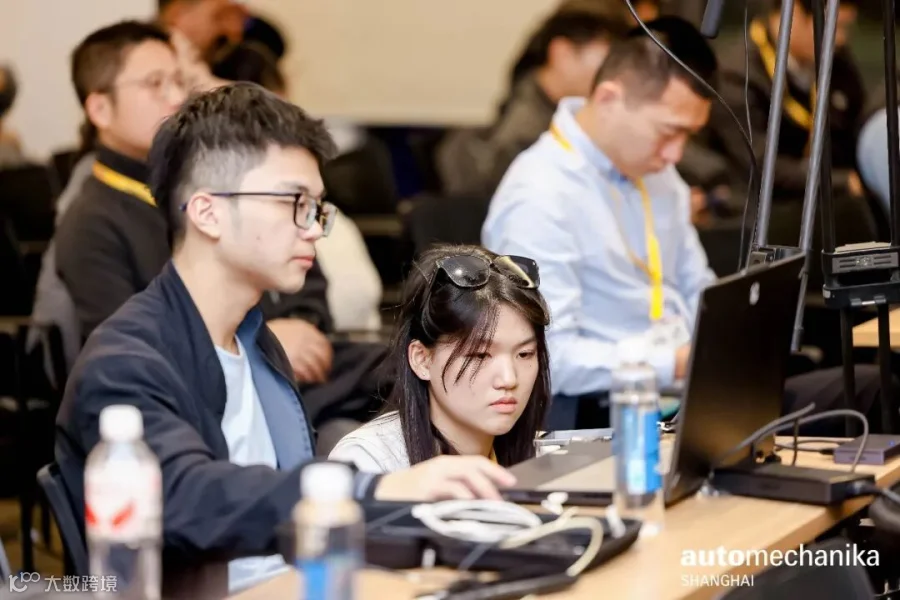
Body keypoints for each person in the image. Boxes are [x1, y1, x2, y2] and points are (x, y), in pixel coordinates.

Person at [55, 83, 517, 598]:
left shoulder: (254, 341)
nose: (314, 229)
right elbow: (186, 497)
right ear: (207, 212)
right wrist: (373, 489)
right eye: (294, 202)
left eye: (317, 208)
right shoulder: (126, 359)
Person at [482, 18, 887, 433]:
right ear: (609, 99)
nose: (676, 155)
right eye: (668, 132)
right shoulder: (539, 196)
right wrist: (676, 361)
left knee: (875, 388)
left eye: (687, 136)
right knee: (869, 393)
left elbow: (698, 288)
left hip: (694, 390)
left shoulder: (655, 175)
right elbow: (553, 357)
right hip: (614, 413)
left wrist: (733, 338)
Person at [35, 22, 186, 366]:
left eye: (179, 81)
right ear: (100, 110)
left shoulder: (189, 186)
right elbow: (132, 355)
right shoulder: (91, 221)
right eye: (155, 83)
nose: (178, 97)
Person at [329, 245, 550, 473]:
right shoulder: (369, 462)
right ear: (422, 359)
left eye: (525, 354)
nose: (509, 379)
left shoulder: (547, 455)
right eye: (480, 355)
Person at [436, 7, 626, 198]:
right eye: (605, 61)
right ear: (562, 54)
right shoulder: (526, 134)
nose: (612, 74)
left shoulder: (548, 109)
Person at [703, 0, 866, 203]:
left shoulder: (839, 62)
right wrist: (842, 182)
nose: (840, 39)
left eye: (845, 28)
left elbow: (856, 130)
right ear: (794, 11)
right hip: (754, 205)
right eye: (833, 26)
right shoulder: (737, 76)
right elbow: (760, 165)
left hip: (827, 200)